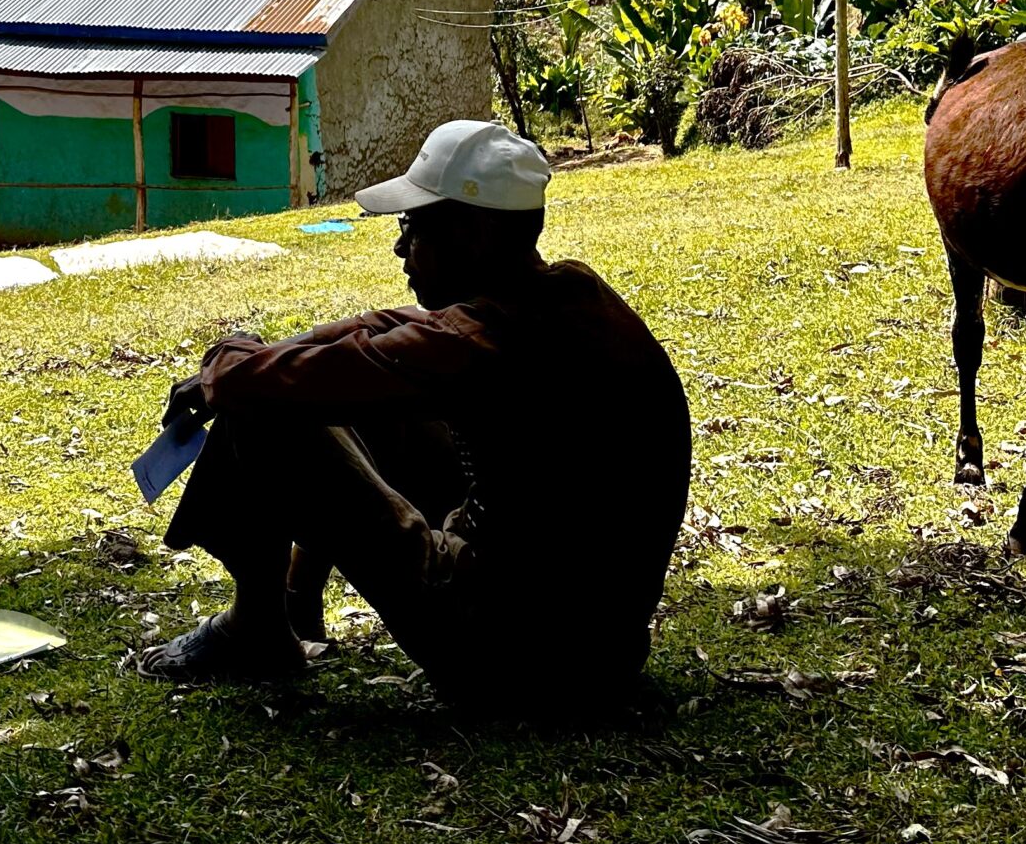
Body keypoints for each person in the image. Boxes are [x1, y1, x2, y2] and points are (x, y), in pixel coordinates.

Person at [141, 120, 691, 713]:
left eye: (413, 227)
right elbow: (385, 328)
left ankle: (258, 626)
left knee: (266, 408)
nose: (401, 249)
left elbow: (258, 384)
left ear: (473, 234)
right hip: (601, 651)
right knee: (337, 396)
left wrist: (229, 358)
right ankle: (295, 602)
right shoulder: (566, 293)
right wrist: (266, 354)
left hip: (512, 663)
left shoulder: (474, 346)